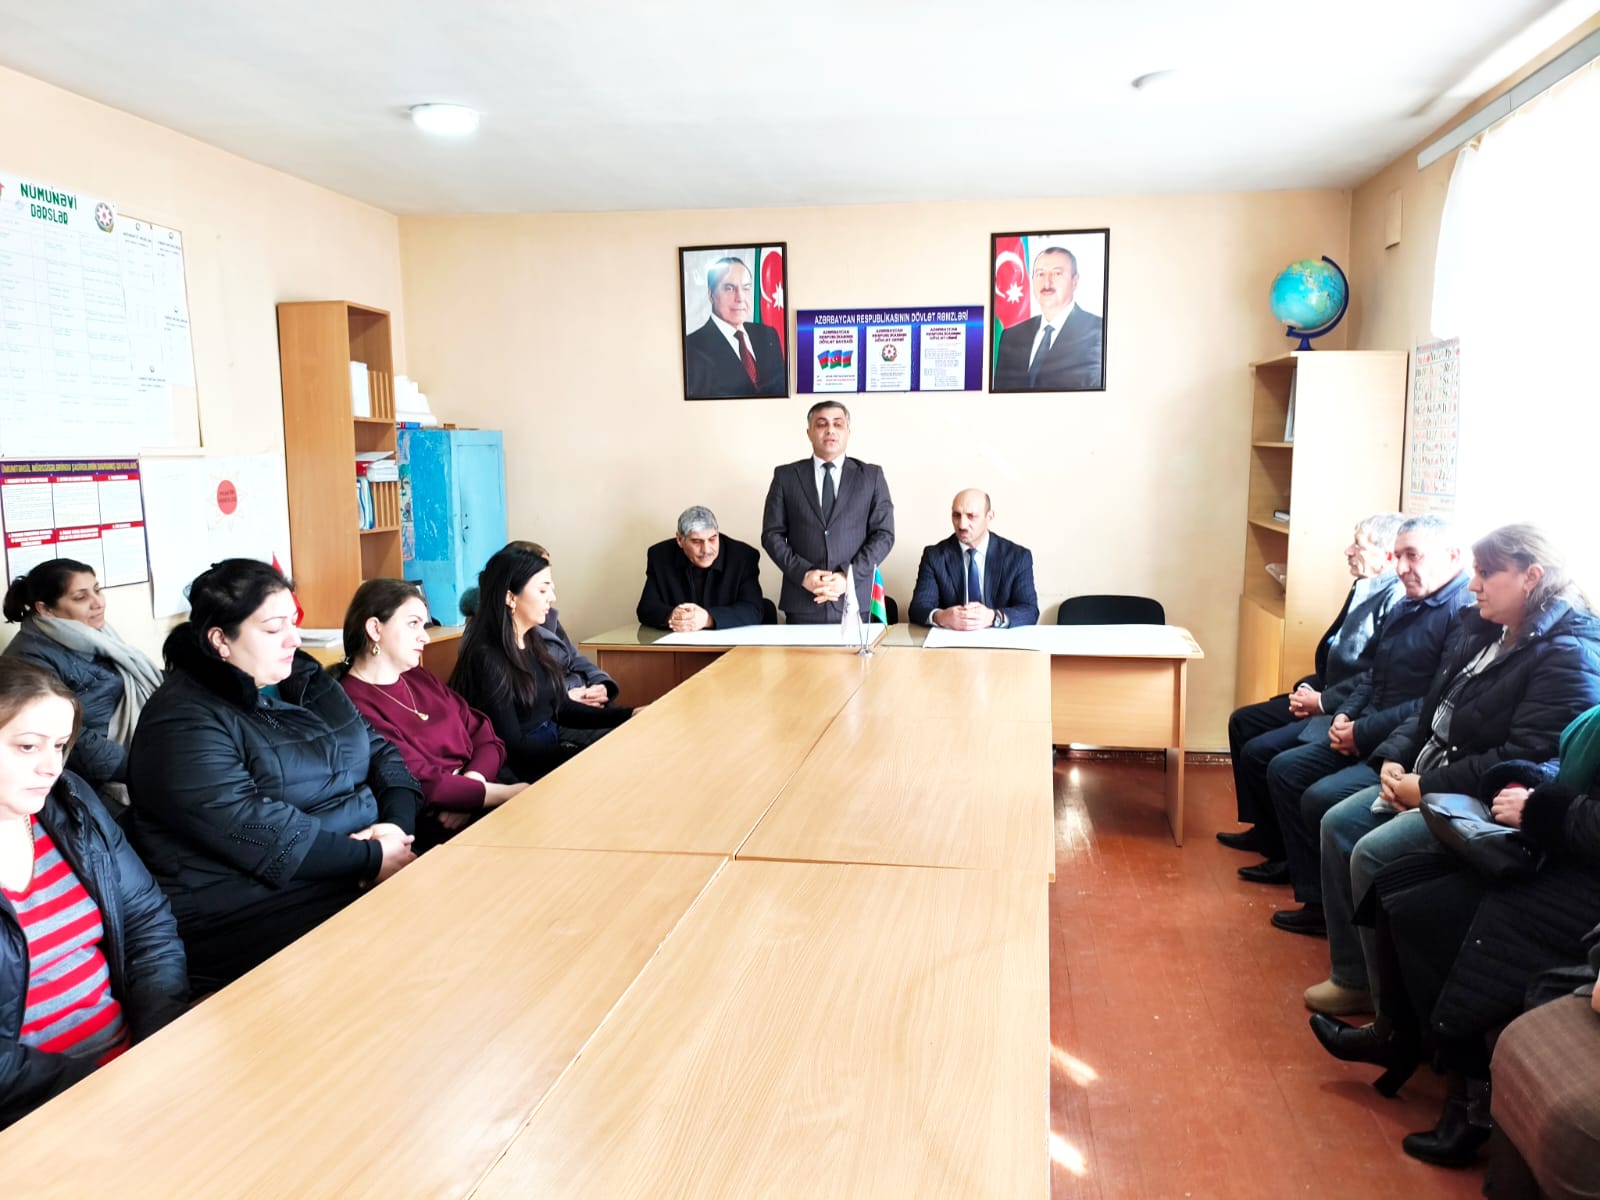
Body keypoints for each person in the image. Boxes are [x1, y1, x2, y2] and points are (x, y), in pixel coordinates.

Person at [1302, 524, 1600, 1021]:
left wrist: (1426, 787)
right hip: (1428, 771)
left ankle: (1390, 1015)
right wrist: (1394, 757)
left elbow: (1524, 755)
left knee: (1370, 852)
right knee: (1337, 822)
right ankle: (1353, 977)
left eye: (1485, 573)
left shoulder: (1569, 653)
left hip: (1479, 796)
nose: (1473, 584)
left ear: (1531, 577)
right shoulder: (1486, 628)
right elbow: (1433, 710)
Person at [1312, 703, 1600, 1167]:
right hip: (1559, 847)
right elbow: (1560, 762)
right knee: (1394, 885)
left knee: (1453, 916)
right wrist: (1521, 783)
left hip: (1583, 881)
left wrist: (1541, 808)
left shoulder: (1569, 663)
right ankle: (1395, 1033)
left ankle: (1472, 1100)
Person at [126, 559, 420, 992]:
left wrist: (396, 830)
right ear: (220, 640)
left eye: (293, 622)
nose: (293, 638)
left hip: (358, 868)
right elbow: (257, 831)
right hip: (260, 912)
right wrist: (372, 859)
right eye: (273, 628)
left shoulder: (305, 678)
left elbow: (381, 753)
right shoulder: (182, 720)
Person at [1263, 514, 1474, 932]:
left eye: (1413, 556)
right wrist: (1343, 714)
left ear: (1451, 557)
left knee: (1321, 799)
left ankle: (1333, 912)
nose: (1402, 568)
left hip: (1397, 744)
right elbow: (1373, 675)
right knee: (1284, 769)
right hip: (1368, 727)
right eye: (1398, 556)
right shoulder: (1408, 602)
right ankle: (1313, 894)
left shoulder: (1461, 614)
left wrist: (1361, 732)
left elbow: (1426, 704)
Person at [0, 658, 188, 1129]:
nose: (51, 767)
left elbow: (147, 922)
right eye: (27, 746)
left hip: (135, 1069)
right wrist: (99, 1089)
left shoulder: (71, 802)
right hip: (37, 1114)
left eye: (60, 745)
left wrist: (161, 1031)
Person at [1218, 513, 1406, 874]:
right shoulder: (1365, 585)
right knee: (1244, 722)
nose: (1348, 551)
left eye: (1358, 545)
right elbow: (1340, 653)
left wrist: (1322, 702)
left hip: (1345, 709)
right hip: (1329, 692)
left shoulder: (1394, 598)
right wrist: (1313, 686)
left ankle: (1284, 856)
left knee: (1263, 753)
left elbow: (1370, 675)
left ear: (1387, 556)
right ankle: (1265, 831)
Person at [338, 580, 528, 849]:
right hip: (438, 826)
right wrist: (501, 794)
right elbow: (421, 780)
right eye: (413, 624)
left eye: (423, 625)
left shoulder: (418, 677)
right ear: (375, 629)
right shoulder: (351, 701)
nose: (425, 637)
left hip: (485, 793)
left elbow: (486, 735)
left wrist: (472, 786)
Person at [450, 545, 631, 782]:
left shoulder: (530, 638)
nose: (552, 598)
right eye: (543, 590)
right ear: (510, 597)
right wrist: (577, 755)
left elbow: (560, 707)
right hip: (519, 773)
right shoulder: (487, 657)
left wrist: (628, 715)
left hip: (547, 751)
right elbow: (513, 747)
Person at [3, 559, 163, 808]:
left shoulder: (92, 634)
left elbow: (134, 676)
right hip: (94, 779)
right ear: (45, 609)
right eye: (80, 597)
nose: (98, 603)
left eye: (97, 590)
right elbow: (70, 737)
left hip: (138, 745)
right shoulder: (30, 658)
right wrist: (136, 768)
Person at [761, 400, 895, 623]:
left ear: (848, 432)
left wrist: (848, 577)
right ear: (809, 433)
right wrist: (803, 575)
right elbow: (771, 534)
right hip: (803, 600)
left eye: (838, 424)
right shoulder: (786, 476)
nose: (830, 430)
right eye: (822, 424)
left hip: (854, 599)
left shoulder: (871, 476)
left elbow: (884, 535)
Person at [908, 488, 1039, 629]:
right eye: (956, 515)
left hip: (999, 639)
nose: (962, 524)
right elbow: (918, 608)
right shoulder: (934, 556)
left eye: (971, 516)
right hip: (952, 638)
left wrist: (994, 617)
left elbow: (1030, 611)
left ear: (989, 517)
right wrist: (942, 617)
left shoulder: (1017, 557)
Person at [991, 246, 1104, 391]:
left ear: (1075, 281)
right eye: (1040, 274)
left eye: (1057, 274)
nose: (1047, 283)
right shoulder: (1011, 337)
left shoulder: (1097, 332)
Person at [637, 506, 765, 632]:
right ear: (680, 539)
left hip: (731, 642)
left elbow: (754, 609)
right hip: (679, 642)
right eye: (697, 541)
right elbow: (646, 608)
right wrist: (672, 616)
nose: (706, 550)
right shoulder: (659, 556)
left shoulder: (743, 557)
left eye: (712, 539)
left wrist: (708, 619)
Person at [683, 256, 786, 399]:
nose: (740, 298)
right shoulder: (692, 347)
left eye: (746, 288)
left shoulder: (767, 335)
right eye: (729, 288)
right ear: (711, 295)